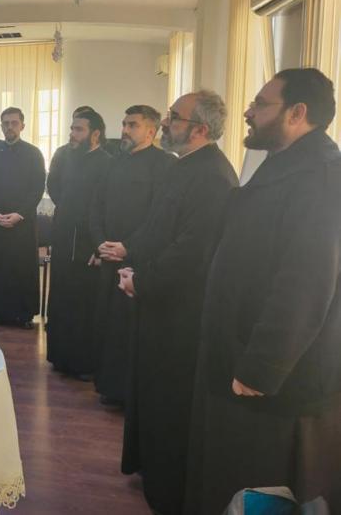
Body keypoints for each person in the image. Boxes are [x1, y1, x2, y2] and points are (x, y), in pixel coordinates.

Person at [186, 69, 341, 513]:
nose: (248, 112)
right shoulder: (284, 162)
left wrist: (261, 367)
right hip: (240, 361)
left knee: (262, 491)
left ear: (297, 113)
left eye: (260, 104)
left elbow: (306, 281)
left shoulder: (323, 176)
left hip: (274, 385)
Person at [111, 91, 238, 515]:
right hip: (158, 301)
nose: (165, 123)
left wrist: (142, 281)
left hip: (181, 313)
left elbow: (192, 251)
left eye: (174, 117)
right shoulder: (183, 165)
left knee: (169, 401)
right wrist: (130, 254)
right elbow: (157, 225)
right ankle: (150, 469)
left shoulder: (214, 177)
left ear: (200, 129)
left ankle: (166, 490)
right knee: (150, 392)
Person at [90, 106, 174, 406]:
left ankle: (130, 393)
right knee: (108, 325)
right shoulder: (113, 163)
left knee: (132, 329)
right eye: (124, 124)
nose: (124, 130)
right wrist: (100, 243)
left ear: (151, 131)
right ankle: (108, 387)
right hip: (109, 257)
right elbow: (95, 207)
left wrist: (128, 247)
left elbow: (160, 218)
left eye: (133, 125)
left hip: (140, 261)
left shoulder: (166, 165)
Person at [46, 109, 112, 376]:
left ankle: (82, 364)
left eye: (79, 130)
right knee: (61, 299)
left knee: (84, 305)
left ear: (95, 134)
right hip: (63, 238)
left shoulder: (107, 163)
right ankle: (59, 357)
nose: (72, 134)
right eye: (72, 128)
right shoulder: (63, 155)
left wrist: (99, 245)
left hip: (89, 245)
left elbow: (107, 207)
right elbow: (54, 187)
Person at [0, 107, 46, 327]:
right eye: (6, 123)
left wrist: (20, 214)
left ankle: (24, 314)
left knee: (22, 268)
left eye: (14, 123)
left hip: (23, 223)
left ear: (22, 125)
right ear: (1, 126)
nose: (10, 127)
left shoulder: (34, 153)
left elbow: (37, 188)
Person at [45, 105, 94, 206]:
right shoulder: (61, 153)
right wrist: (64, 205)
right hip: (65, 210)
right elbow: (52, 184)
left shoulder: (108, 154)